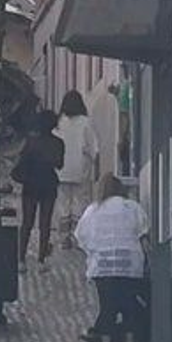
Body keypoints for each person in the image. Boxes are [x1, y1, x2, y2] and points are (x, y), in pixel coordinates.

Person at [75, 173, 148, 342]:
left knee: (107, 307)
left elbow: (81, 236)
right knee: (129, 306)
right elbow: (143, 229)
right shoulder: (131, 207)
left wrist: (94, 251)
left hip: (103, 265)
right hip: (129, 265)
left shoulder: (93, 210)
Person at [12, 110, 65, 271]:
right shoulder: (58, 143)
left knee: (27, 222)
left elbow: (22, 160)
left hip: (31, 184)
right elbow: (59, 164)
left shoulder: (31, 142)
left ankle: (21, 259)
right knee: (45, 223)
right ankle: (41, 260)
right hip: (49, 184)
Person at [56, 90, 99, 249]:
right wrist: (97, 166)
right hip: (81, 168)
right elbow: (93, 147)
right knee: (81, 202)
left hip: (61, 169)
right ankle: (79, 236)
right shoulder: (85, 122)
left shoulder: (60, 121)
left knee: (63, 204)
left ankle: (64, 237)